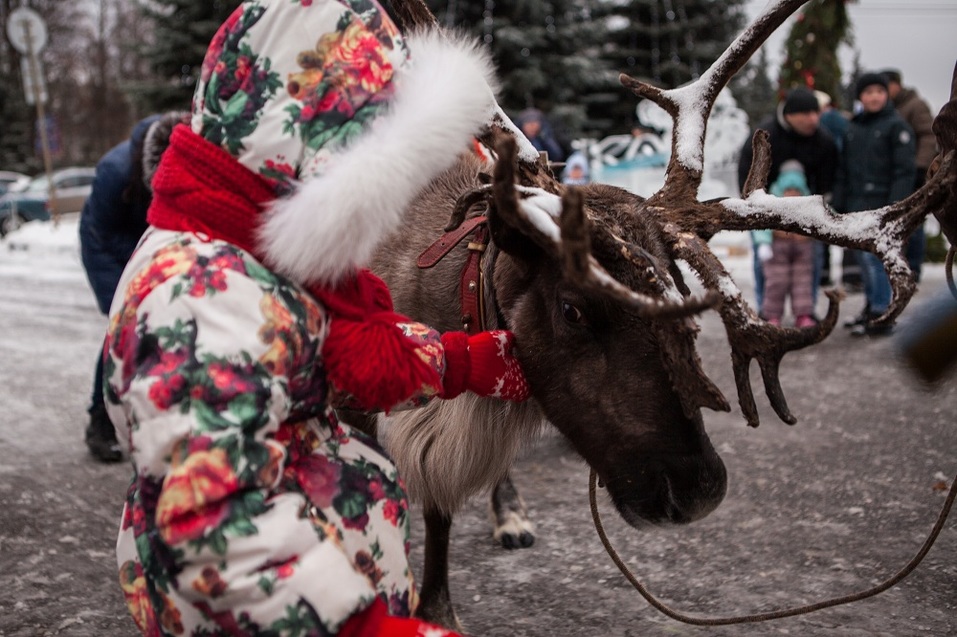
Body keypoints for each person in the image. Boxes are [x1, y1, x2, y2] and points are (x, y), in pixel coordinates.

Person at [101, 2, 530, 635]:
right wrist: (369, 630)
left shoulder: (259, 255)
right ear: (320, 160)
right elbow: (220, 530)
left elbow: (313, 349)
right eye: (384, 184)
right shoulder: (196, 292)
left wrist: (461, 361)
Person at [78, 113, 179, 462]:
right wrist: (143, 258)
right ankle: (99, 422)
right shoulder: (115, 171)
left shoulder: (178, 150)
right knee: (121, 327)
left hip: (147, 242)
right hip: (105, 249)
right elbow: (103, 233)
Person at [737, 86, 839, 312]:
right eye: (806, 114)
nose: (813, 119)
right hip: (766, 212)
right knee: (764, 262)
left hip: (809, 213)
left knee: (811, 264)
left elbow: (829, 180)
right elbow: (747, 172)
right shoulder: (764, 135)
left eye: (816, 113)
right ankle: (766, 310)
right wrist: (753, 210)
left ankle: (807, 309)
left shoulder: (824, 142)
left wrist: (822, 212)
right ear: (790, 114)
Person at [832, 72, 916, 337]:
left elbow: (905, 171)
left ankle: (882, 313)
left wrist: (895, 205)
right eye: (868, 92)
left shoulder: (896, 126)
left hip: (883, 207)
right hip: (857, 206)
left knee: (876, 261)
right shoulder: (853, 128)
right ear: (860, 97)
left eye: (879, 91)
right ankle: (872, 306)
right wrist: (840, 202)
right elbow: (842, 170)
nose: (874, 96)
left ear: (886, 95)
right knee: (863, 261)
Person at [883, 68, 938, 281]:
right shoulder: (893, 108)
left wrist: (920, 167)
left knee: (914, 222)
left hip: (914, 174)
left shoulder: (915, 105)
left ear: (896, 84)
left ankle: (913, 269)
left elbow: (928, 135)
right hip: (897, 175)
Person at [759, 160, 817, 328]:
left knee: (802, 284)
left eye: (796, 190)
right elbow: (761, 224)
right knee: (776, 283)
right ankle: (772, 315)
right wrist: (764, 243)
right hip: (778, 251)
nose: (792, 194)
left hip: (802, 251)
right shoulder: (772, 203)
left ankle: (803, 314)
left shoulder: (808, 204)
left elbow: (822, 218)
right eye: (789, 190)